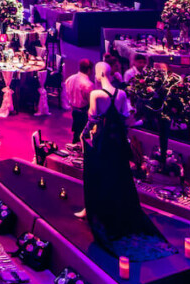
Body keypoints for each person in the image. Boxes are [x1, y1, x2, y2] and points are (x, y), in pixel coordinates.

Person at [81, 62, 164, 254]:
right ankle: (119, 212)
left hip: (103, 141)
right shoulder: (122, 94)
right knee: (119, 176)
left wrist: (83, 134)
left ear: (100, 73)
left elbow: (92, 119)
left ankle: (99, 213)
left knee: (99, 176)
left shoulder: (96, 95)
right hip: (118, 142)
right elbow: (126, 117)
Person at [63, 57, 95, 144]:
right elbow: (91, 102)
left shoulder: (69, 79)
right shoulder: (88, 84)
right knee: (84, 136)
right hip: (84, 112)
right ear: (89, 70)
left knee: (76, 133)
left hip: (74, 110)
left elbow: (66, 93)